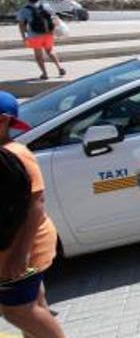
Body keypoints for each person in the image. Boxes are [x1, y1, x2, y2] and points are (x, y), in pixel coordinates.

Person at [0, 92, 65, 338]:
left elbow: (35, 205)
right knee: (34, 305)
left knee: (16, 310)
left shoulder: (15, 154)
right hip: (14, 249)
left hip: (23, 248)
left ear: (3, 121)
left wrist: (19, 253)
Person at [15, 0, 65, 80]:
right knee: (50, 51)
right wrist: (53, 30)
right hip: (48, 33)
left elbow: (21, 24)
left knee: (38, 55)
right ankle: (60, 68)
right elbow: (54, 18)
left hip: (34, 34)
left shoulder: (24, 10)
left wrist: (24, 37)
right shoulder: (45, 6)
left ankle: (44, 74)